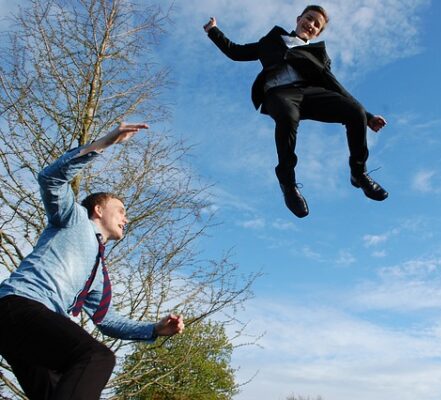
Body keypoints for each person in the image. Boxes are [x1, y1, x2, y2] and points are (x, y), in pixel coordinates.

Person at [0, 123, 185, 400]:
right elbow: (50, 178)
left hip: (24, 333)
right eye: (121, 211)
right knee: (96, 357)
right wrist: (105, 142)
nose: (126, 218)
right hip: (18, 305)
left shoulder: (97, 273)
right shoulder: (73, 219)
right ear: (98, 210)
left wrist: (154, 329)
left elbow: (107, 320)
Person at [204, 5, 388, 218]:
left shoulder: (316, 54)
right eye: (309, 19)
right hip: (279, 94)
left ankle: (359, 173)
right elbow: (236, 52)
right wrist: (213, 31)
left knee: (354, 111)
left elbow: (334, 85)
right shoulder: (272, 42)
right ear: (299, 18)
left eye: (316, 25)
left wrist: (367, 116)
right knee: (287, 114)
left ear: (318, 33)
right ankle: (288, 184)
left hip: (309, 94)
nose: (311, 25)